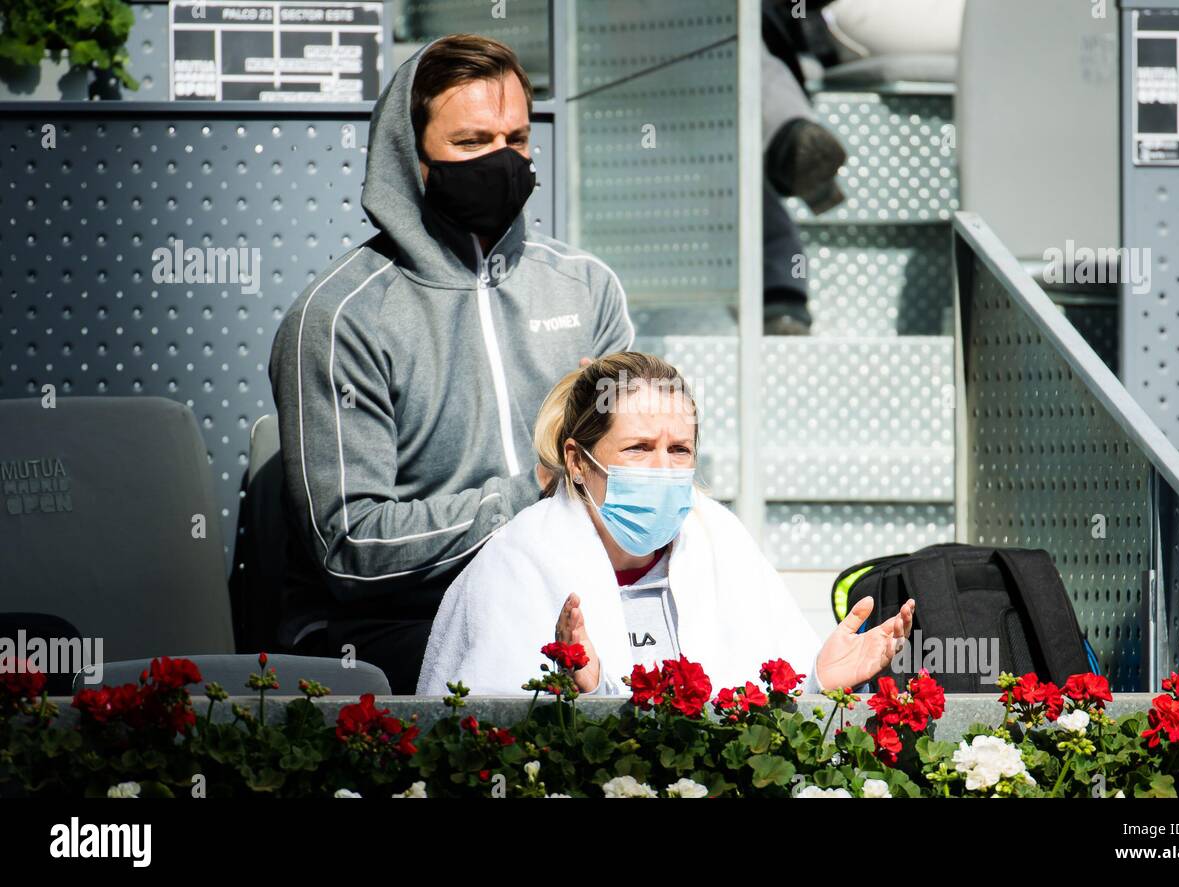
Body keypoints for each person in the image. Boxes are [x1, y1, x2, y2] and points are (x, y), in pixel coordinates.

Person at [269, 34, 634, 693]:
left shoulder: (586, 288)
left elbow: (628, 479)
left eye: (516, 140)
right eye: (471, 143)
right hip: (394, 624)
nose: (501, 160)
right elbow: (351, 546)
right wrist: (535, 493)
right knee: (529, 671)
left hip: (571, 600)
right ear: (411, 157)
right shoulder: (339, 315)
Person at [416, 352, 914, 697]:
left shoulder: (724, 544)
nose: (662, 469)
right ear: (577, 460)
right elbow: (484, 735)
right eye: (638, 448)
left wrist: (815, 681)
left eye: (679, 450)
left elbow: (766, 725)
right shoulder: (517, 562)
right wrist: (581, 692)